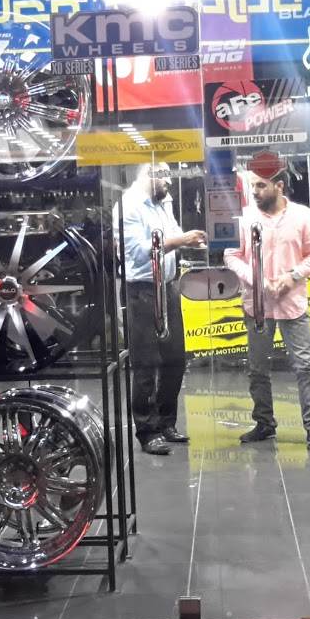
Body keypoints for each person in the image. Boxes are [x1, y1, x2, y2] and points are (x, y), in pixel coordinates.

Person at [224, 167, 310, 450]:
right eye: (254, 186)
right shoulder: (245, 217)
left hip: (292, 303)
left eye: (261, 186)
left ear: (279, 186)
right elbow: (231, 255)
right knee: (257, 368)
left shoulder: (301, 215)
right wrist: (257, 279)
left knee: (305, 366)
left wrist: (292, 276)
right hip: (257, 305)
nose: (255, 192)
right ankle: (264, 423)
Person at [120, 164, 207, 456]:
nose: (169, 181)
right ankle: (147, 431)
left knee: (175, 359)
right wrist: (181, 240)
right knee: (146, 363)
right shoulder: (129, 206)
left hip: (167, 286)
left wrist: (190, 241)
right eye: (165, 176)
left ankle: (166, 422)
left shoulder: (162, 203)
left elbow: (174, 235)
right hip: (142, 290)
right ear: (149, 175)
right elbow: (138, 252)